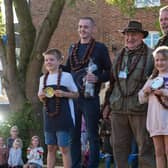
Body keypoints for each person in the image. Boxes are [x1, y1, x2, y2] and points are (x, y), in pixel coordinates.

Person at [103, 20, 156, 168]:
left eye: (133, 34)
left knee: (145, 147)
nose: (130, 38)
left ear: (141, 36)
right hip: (118, 109)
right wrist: (107, 105)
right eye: (127, 34)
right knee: (118, 147)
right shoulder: (119, 55)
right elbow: (112, 82)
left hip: (140, 109)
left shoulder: (151, 56)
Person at [65, 16, 111, 168]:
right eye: (80, 27)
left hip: (90, 98)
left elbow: (110, 72)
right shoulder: (72, 48)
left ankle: (93, 165)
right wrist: (53, 67)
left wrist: (97, 77)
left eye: (85, 27)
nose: (82, 29)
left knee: (92, 136)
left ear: (92, 29)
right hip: (73, 98)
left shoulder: (100, 48)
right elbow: (67, 70)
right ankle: (76, 165)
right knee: (74, 136)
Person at [38, 48, 79, 168]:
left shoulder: (66, 76)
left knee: (64, 147)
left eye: (51, 59)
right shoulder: (42, 79)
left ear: (59, 61)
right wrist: (41, 96)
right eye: (46, 60)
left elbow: (76, 94)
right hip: (49, 116)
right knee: (50, 147)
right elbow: (40, 97)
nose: (48, 62)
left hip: (63, 116)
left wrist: (64, 94)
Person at [138, 46, 168, 168]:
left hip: (166, 119)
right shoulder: (152, 78)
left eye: (163, 60)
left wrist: (164, 93)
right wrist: (145, 91)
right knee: (158, 152)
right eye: (157, 60)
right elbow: (141, 98)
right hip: (155, 120)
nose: (159, 62)